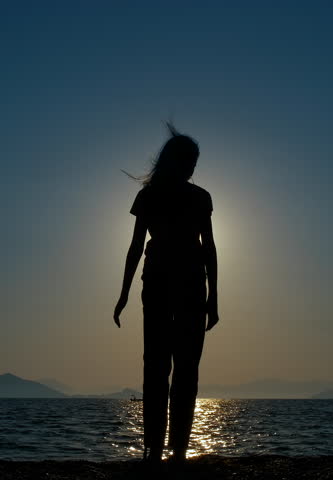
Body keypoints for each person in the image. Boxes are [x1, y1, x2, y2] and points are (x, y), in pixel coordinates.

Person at [113, 123, 219, 464]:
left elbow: (210, 248)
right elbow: (135, 246)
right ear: (177, 161)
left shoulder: (199, 197)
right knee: (159, 367)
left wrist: (214, 297)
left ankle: (176, 450)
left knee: (181, 368)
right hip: (159, 284)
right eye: (189, 161)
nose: (192, 168)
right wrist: (124, 292)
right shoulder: (150, 196)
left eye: (195, 162)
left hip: (188, 285)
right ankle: (155, 448)